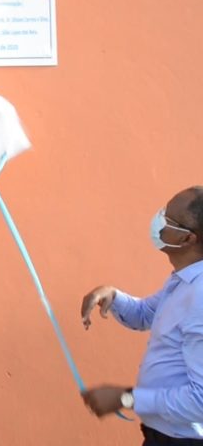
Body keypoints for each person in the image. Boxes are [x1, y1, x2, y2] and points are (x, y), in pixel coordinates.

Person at [81, 185, 203, 444]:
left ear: (187, 239)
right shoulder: (185, 280)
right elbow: (147, 313)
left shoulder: (200, 296)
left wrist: (126, 398)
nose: (158, 220)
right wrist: (113, 296)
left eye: (168, 218)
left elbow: (200, 401)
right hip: (162, 435)